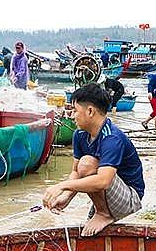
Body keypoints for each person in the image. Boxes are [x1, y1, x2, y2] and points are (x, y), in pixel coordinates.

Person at [42, 83, 144, 237]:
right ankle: (102, 212)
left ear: (90, 111)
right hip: (109, 196)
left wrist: (61, 186)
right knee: (83, 165)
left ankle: (103, 213)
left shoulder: (111, 138)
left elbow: (103, 181)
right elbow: (75, 172)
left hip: (129, 198)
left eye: (75, 110)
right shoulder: (80, 135)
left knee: (87, 163)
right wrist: (66, 197)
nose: (72, 115)